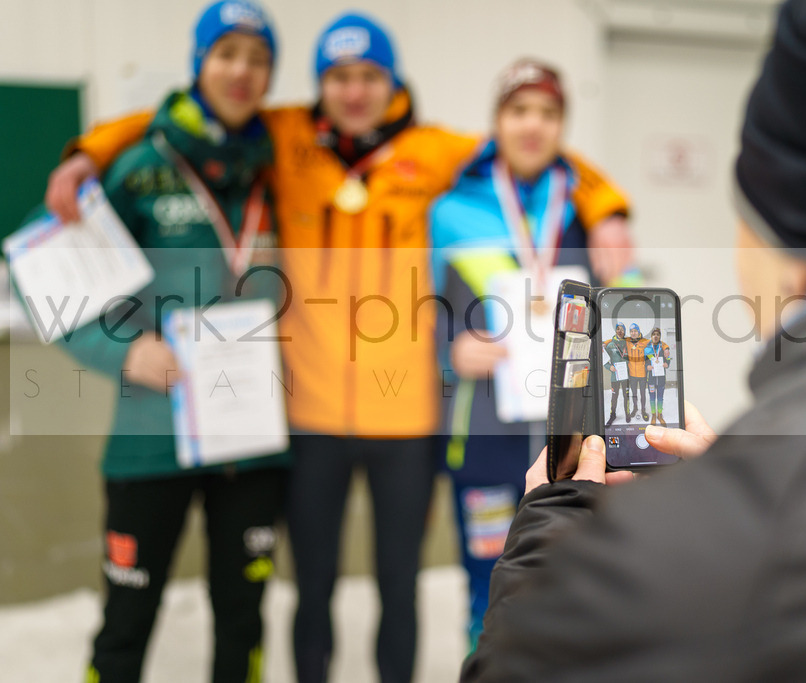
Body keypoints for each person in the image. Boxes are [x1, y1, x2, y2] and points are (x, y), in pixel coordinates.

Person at [45, 14, 632, 683]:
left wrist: (606, 201)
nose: (355, 92)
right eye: (338, 77)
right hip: (311, 416)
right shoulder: (284, 134)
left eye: (369, 76)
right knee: (312, 591)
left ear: (392, 80)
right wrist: (89, 153)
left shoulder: (434, 150)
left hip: (406, 419)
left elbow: (530, 145)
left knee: (398, 588)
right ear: (320, 83)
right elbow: (169, 123)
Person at [461, 0, 806, 680]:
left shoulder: (712, 556)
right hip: (490, 423)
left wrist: (549, 533)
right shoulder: (454, 205)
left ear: (792, 258)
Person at [43, 3, 288, 681]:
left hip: (251, 440)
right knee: (127, 618)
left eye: (259, 58)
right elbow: (42, 277)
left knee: (243, 618)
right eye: (227, 53)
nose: (242, 71)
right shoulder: (135, 167)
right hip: (152, 438)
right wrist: (123, 350)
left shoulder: (279, 164)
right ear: (199, 62)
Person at [429, 58, 635, 652]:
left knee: (574, 575)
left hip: (575, 433)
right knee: (486, 576)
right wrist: (451, 352)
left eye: (548, 114)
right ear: (496, 120)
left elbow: (624, 311)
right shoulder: (450, 211)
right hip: (485, 432)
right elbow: (417, 309)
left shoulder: (590, 213)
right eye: (519, 111)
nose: (532, 126)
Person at [603, 321, 631, 425]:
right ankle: (612, 414)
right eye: (618, 329)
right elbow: (604, 360)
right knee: (614, 396)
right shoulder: (610, 345)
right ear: (616, 330)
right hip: (615, 377)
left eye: (622, 329)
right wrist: (609, 367)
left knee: (626, 396)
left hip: (625, 376)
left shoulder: (628, 344)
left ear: (624, 331)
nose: (620, 331)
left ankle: (627, 413)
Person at [643, 326, 670, 426]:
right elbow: (645, 363)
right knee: (652, 397)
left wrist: (667, 364)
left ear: (660, 336)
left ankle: (660, 414)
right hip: (651, 379)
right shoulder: (647, 349)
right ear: (651, 336)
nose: (656, 336)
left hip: (662, 378)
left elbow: (668, 359)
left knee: (660, 397)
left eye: (658, 335)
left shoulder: (663, 348)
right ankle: (654, 415)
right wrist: (647, 367)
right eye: (654, 334)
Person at [624, 322, 649, 421]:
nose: (633, 333)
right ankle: (635, 408)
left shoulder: (645, 341)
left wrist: (666, 348)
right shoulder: (627, 341)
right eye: (631, 331)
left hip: (642, 373)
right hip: (632, 374)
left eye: (635, 331)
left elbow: (658, 343)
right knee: (634, 393)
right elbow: (614, 340)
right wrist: (605, 343)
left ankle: (643, 410)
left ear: (638, 332)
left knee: (643, 393)